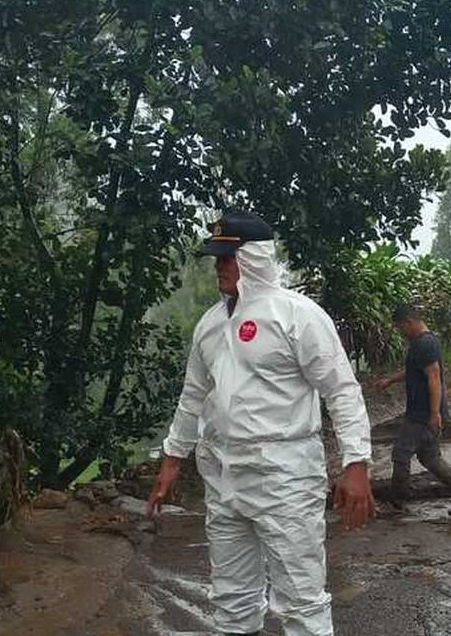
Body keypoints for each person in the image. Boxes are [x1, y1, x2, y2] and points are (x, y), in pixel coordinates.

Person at [147, 211, 375, 636]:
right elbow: (194, 394)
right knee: (231, 599)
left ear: (253, 258)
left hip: (285, 473)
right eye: (216, 259)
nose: (219, 268)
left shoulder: (298, 316)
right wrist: (172, 458)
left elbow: (341, 390)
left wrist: (356, 463)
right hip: (224, 475)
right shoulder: (210, 325)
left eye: (227, 258)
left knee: (300, 599)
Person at [371, 304, 451, 516]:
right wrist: (390, 380)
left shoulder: (424, 344)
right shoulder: (423, 343)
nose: (401, 333)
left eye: (401, 328)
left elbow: (434, 378)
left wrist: (434, 414)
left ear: (409, 322)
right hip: (426, 412)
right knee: (430, 458)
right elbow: (414, 370)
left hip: (422, 413)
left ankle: (397, 503)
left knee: (401, 454)